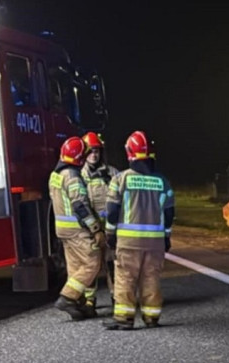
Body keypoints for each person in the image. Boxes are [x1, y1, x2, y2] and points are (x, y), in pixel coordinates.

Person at [103, 130, 175, 330]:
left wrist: (110, 234)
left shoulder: (120, 179)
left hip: (128, 242)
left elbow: (111, 211)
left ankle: (124, 319)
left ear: (129, 153)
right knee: (151, 277)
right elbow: (169, 214)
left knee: (125, 277)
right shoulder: (163, 181)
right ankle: (152, 317)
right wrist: (166, 237)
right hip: (155, 243)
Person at [50, 135, 106, 321]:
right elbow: (80, 205)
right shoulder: (72, 177)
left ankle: (80, 305)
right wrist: (96, 228)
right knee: (92, 261)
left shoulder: (55, 175)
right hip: (76, 229)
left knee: (75, 267)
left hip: (62, 230)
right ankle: (67, 297)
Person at [81, 131, 120, 314]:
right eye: (90, 151)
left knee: (112, 263)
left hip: (111, 229)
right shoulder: (80, 176)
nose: (94, 155)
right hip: (92, 230)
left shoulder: (112, 173)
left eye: (96, 151)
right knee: (91, 264)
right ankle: (90, 300)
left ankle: (116, 296)